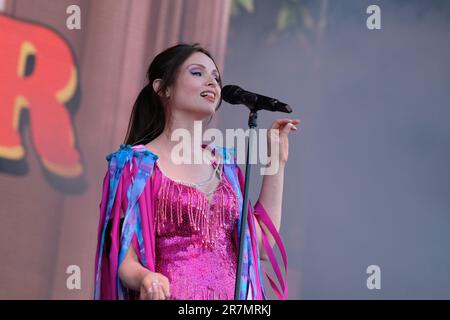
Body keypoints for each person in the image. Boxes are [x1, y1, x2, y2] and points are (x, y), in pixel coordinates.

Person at [94, 43, 300, 300]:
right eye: (197, 72)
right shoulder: (135, 167)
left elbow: (261, 245)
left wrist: (276, 162)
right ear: (163, 88)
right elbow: (124, 258)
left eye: (215, 76)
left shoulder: (225, 167)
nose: (212, 83)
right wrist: (147, 278)